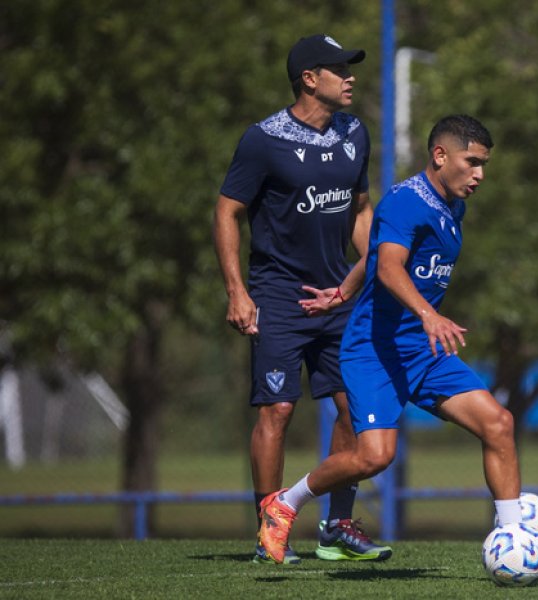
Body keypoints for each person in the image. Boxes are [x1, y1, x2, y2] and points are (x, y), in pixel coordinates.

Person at [255, 114, 538, 570]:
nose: (480, 174)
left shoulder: (453, 205)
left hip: (422, 351)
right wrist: (428, 314)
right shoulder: (408, 202)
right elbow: (388, 267)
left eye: (484, 164)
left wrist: (342, 292)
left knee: (499, 424)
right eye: (472, 162)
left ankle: (517, 539)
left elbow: (373, 256)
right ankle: (284, 504)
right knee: (374, 457)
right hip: (376, 351)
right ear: (440, 156)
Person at [213, 33, 392, 564]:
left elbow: (361, 209)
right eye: (340, 68)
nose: (351, 77)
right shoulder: (263, 139)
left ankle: (337, 527)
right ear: (310, 79)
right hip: (278, 294)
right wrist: (237, 292)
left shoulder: (356, 132)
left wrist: (375, 270)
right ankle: (270, 532)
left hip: (337, 294)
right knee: (279, 409)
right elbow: (227, 211)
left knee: (350, 408)